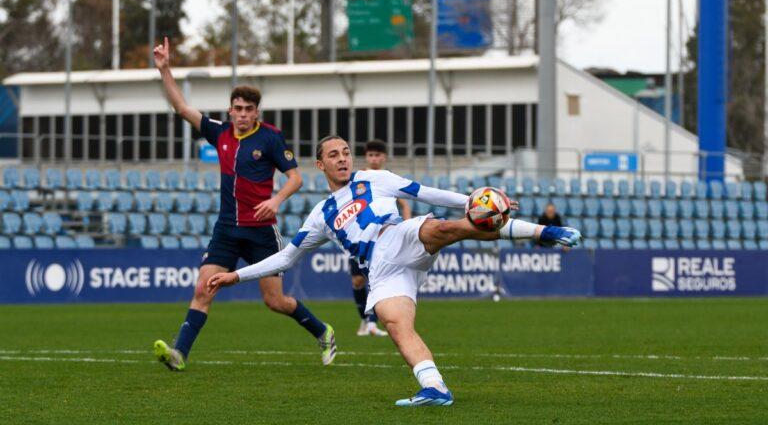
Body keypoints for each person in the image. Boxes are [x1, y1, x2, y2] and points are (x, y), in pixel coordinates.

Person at [206, 136, 582, 406]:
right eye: (333, 155)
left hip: (397, 236)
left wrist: (475, 202)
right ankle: (435, 388)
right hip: (382, 271)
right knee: (397, 325)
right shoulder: (320, 214)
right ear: (320, 165)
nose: (343, 159)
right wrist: (235, 275)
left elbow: (429, 194)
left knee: (442, 228)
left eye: (346, 153)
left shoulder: (377, 177)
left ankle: (542, 232)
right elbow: (286, 258)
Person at [150, 37, 336, 371]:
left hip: (261, 232)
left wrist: (276, 200)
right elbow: (181, 107)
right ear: (230, 110)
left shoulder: (270, 137)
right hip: (226, 230)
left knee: (274, 301)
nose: (243, 115)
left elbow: (296, 178)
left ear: (256, 113)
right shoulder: (219, 133)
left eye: (249, 110)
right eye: (238, 109)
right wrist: (165, 69)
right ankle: (179, 354)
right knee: (203, 289)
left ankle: (323, 331)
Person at [352, 139, 411, 337]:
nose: (374, 159)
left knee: (376, 279)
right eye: (370, 155)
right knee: (357, 281)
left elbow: (405, 205)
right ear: (366, 157)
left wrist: (405, 226)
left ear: (384, 157)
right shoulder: (359, 177)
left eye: (377, 155)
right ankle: (364, 319)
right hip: (360, 236)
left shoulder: (390, 178)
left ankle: (372, 323)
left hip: (384, 238)